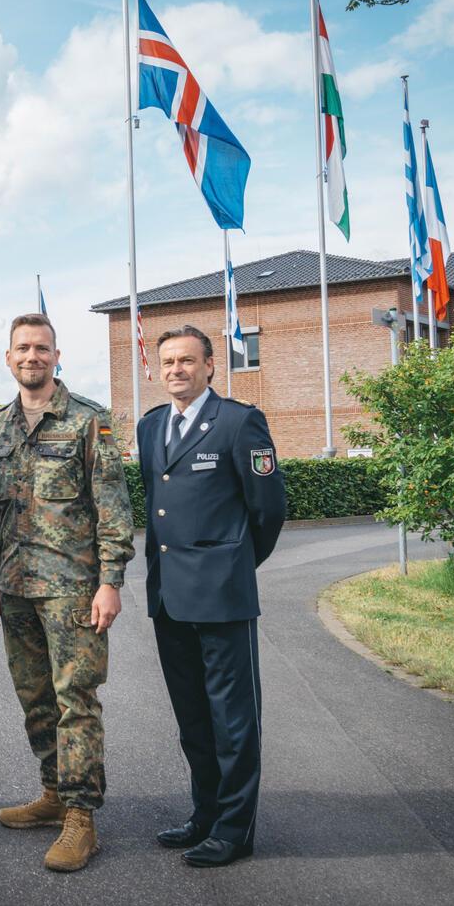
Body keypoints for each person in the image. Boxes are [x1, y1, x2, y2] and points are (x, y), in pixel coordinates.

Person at [0, 313, 134, 872]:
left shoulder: (89, 421)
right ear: (9, 358)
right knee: (35, 701)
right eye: (23, 349)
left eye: (41, 348)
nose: (32, 357)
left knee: (77, 701)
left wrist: (110, 582)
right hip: (16, 590)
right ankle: (52, 793)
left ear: (56, 355)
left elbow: (114, 509)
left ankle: (81, 818)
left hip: (73, 591)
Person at [137, 324, 286, 868]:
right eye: (168, 362)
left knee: (233, 719)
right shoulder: (151, 426)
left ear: (209, 367)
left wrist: (234, 565)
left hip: (222, 596)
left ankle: (234, 828)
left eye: (187, 361)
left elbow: (268, 510)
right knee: (193, 717)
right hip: (169, 598)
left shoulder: (239, 422)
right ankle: (204, 814)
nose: (176, 370)